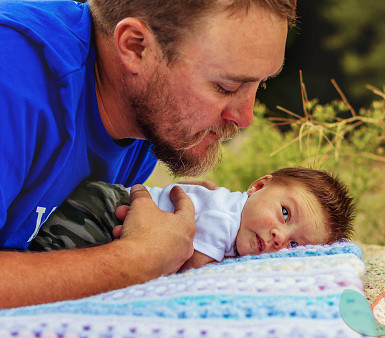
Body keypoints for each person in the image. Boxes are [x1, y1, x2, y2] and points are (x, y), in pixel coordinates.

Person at [0, 0, 296, 308]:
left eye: (260, 85)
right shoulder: (12, 80)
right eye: (226, 87)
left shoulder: (143, 115)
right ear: (135, 47)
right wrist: (133, 261)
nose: (245, 118)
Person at [29, 167, 355, 272]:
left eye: (294, 245)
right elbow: (187, 266)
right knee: (57, 253)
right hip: (106, 210)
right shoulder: (223, 220)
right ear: (258, 186)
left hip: (111, 207)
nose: (279, 238)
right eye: (284, 213)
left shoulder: (236, 211)